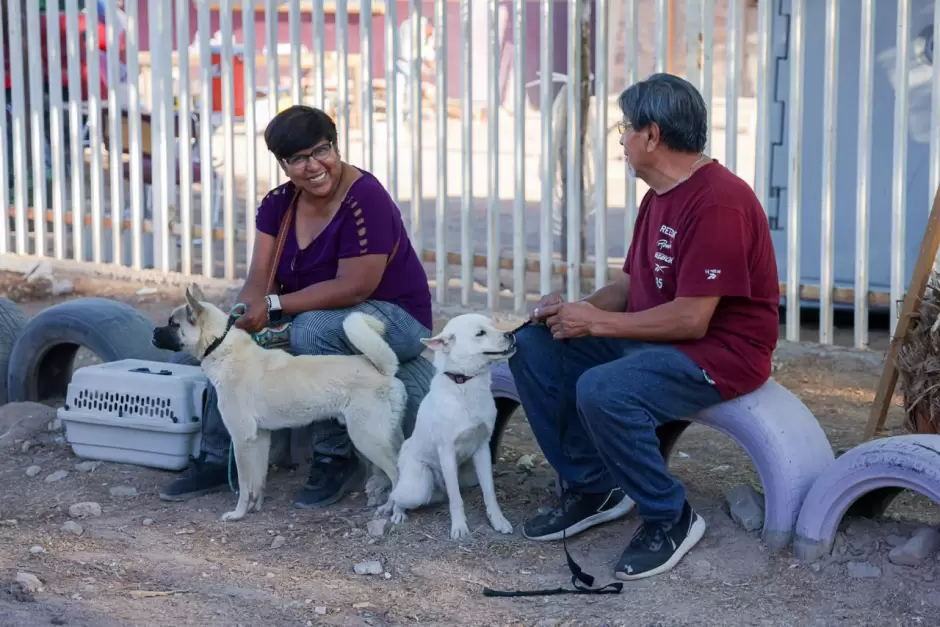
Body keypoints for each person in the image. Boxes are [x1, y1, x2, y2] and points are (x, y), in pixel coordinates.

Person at [508, 73, 780, 581]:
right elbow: (631, 284)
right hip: (663, 337)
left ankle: (669, 515)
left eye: (624, 128)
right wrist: (576, 310)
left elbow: (693, 319)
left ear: (651, 135)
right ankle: (595, 487)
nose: (621, 141)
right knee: (532, 345)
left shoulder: (719, 202)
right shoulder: (659, 195)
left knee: (603, 387)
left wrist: (601, 324)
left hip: (721, 353)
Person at [160, 105, 433, 509]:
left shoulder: (366, 199)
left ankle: (333, 456)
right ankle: (221, 458)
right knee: (227, 348)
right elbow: (259, 279)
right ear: (283, 164)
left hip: (394, 319)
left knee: (310, 331)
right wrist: (240, 320)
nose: (313, 165)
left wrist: (273, 306)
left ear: (336, 145)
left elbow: (354, 287)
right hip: (315, 311)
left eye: (320, 150)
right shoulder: (279, 204)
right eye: (297, 159)